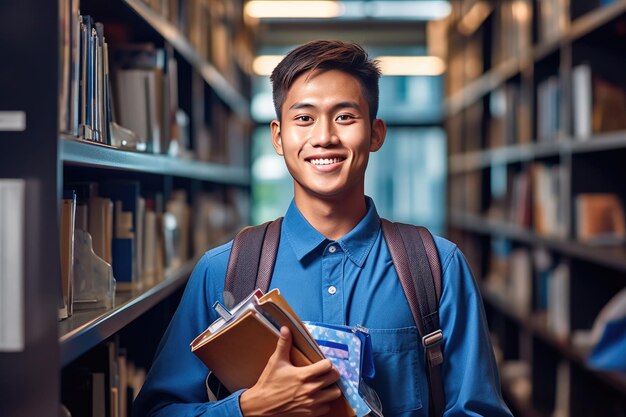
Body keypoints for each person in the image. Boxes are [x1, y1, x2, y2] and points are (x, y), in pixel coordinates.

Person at [133, 40, 512, 417]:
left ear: (376, 133)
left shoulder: (436, 267)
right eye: (304, 118)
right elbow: (155, 411)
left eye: (345, 117)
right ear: (278, 137)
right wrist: (247, 409)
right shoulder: (224, 270)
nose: (325, 137)